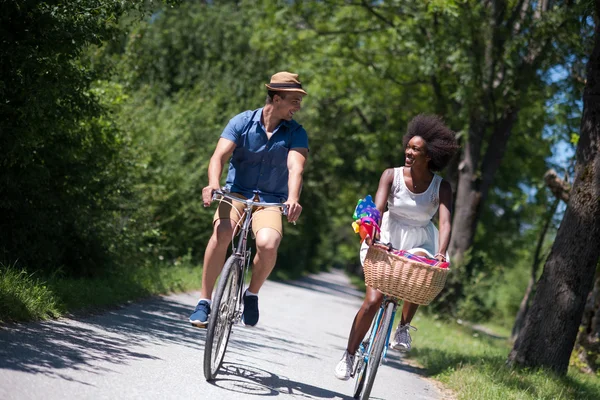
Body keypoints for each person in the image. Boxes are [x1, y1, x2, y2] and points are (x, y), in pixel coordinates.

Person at [334, 114, 459, 380]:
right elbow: (378, 208)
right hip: (388, 234)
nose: (409, 152)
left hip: (421, 239)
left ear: (429, 156)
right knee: (373, 300)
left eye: (416, 149)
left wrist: (440, 252)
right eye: (408, 147)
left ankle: (403, 326)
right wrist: (374, 234)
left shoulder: (442, 187)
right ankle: (349, 354)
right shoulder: (391, 175)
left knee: (421, 268)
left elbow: (446, 223)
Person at [189, 71, 309, 328]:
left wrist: (293, 198)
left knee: (268, 243)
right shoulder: (242, 122)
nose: (297, 107)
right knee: (223, 232)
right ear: (276, 99)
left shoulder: (296, 133)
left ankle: (251, 293)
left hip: (270, 199)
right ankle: (204, 301)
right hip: (236, 192)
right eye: (294, 101)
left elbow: (295, 167)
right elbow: (218, 157)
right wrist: (213, 183)